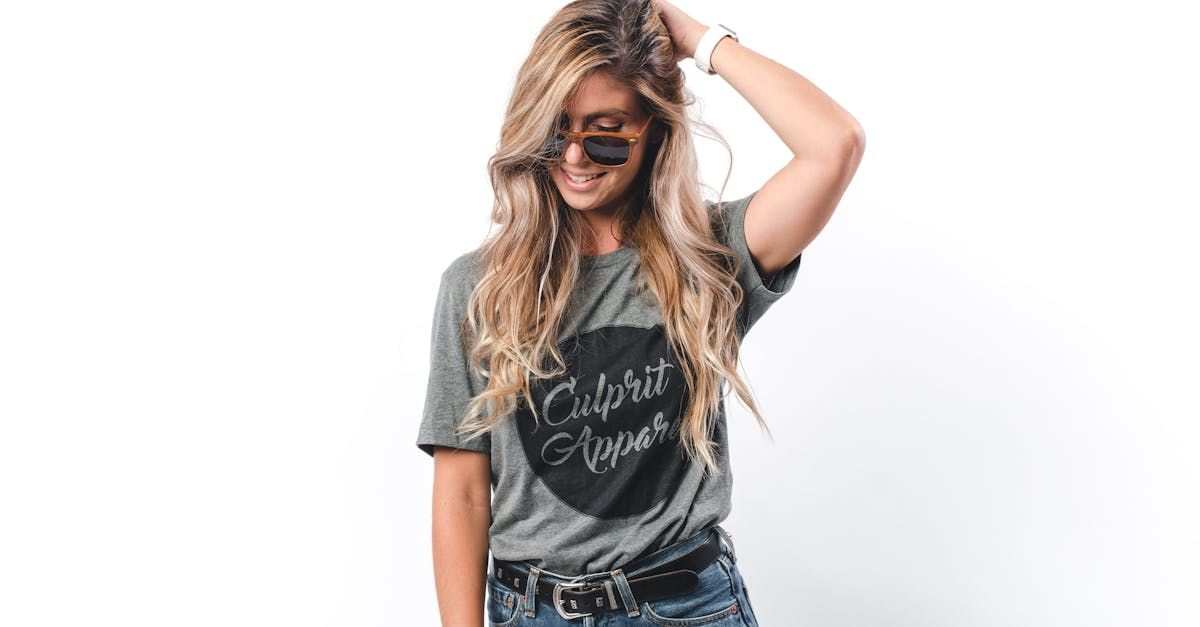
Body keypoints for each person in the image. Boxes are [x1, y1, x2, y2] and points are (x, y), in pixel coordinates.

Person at [416, 0, 865, 624]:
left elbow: (834, 144)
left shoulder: (710, 257)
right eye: (555, 130)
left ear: (654, 130)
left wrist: (701, 41)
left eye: (604, 134)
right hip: (531, 610)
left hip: (683, 605)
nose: (574, 159)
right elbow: (462, 493)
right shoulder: (478, 286)